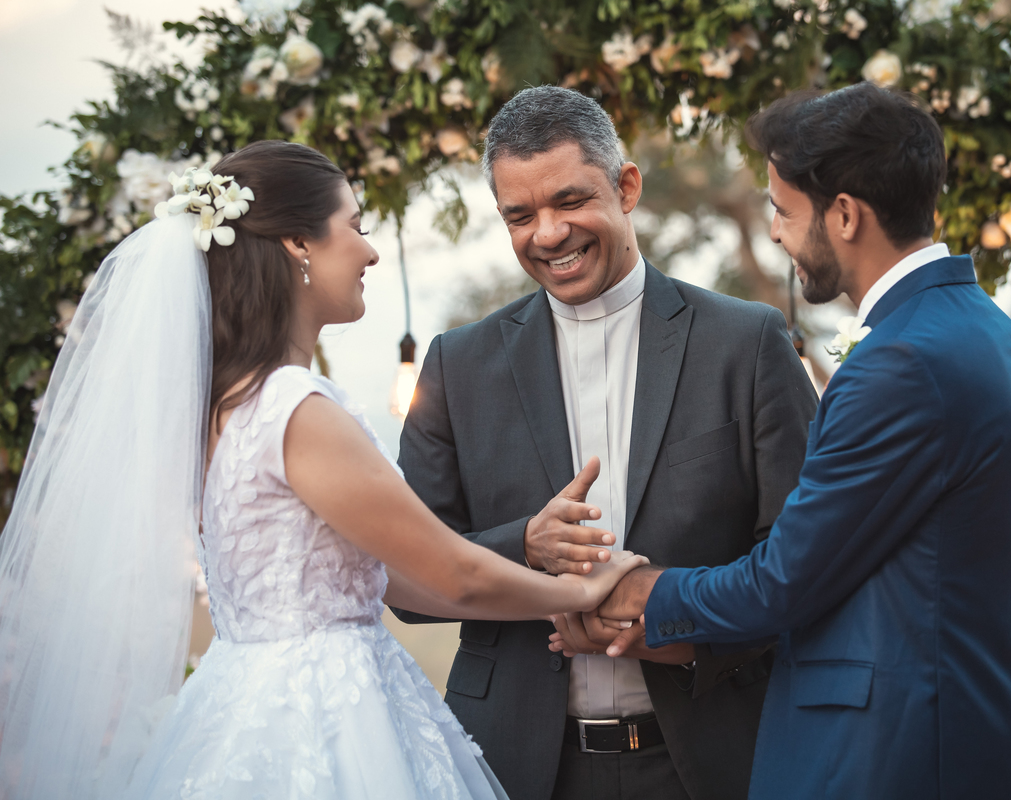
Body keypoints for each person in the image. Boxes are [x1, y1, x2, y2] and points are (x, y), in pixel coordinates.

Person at [0, 140, 646, 800]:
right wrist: (586, 592)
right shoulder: (294, 407)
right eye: (356, 228)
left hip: (240, 702)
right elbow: (451, 571)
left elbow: (400, 578)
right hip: (323, 717)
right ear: (296, 246)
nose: (368, 251)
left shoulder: (220, 409)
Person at [599, 84, 1011, 799]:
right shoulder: (989, 334)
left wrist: (645, 590)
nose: (772, 233)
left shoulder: (902, 362)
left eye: (783, 211)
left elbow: (784, 581)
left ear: (846, 215)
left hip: (893, 756)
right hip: (973, 736)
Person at [395, 85, 819, 800]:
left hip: (712, 761)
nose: (549, 234)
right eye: (520, 216)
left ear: (627, 187)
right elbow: (406, 580)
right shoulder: (456, 364)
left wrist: (676, 632)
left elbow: (804, 561)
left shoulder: (745, 343)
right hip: (517, 767)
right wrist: (521, 547)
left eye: (569, 201)